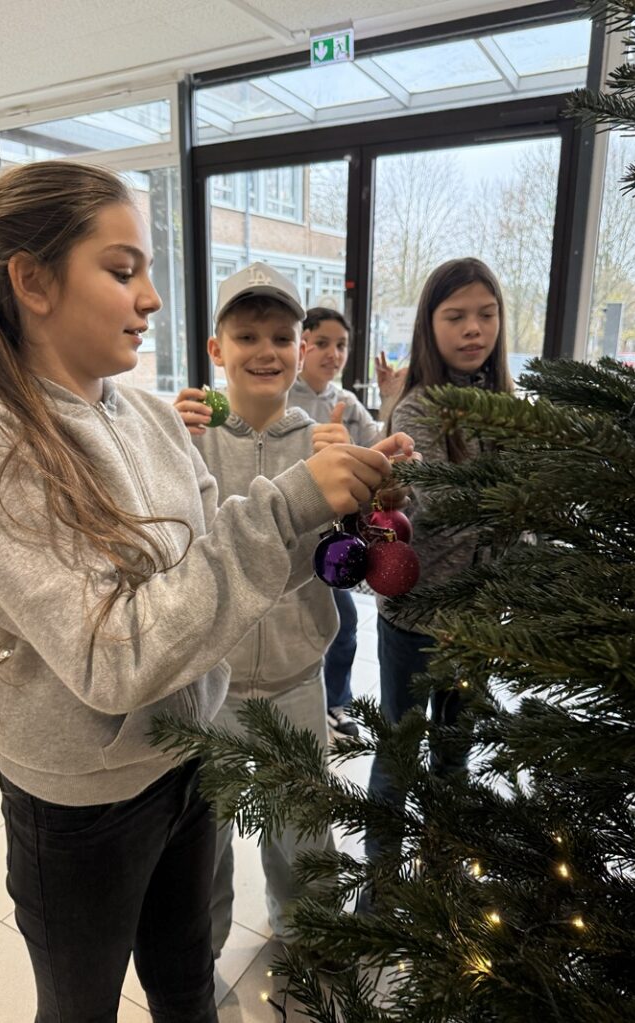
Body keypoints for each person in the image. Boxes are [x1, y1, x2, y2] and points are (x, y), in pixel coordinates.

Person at [0, 162, 413, 1023]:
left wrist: (331, 525)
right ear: (32, 280)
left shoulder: (140, 415)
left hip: (189, 753)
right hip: (83, 803)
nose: (149, 299)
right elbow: (117, 654)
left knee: (185, 981)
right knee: (80, 1006)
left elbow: (217, 569)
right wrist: (291, 498)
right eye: (121, 269)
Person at [173, 268, 413, 957]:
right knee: (203, 835)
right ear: (217, 350)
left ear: (301, 345)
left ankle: (308, 938)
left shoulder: (322, 438)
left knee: (305, 826)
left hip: (294, 676)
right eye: (246, 335)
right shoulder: (188, 433)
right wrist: (163, 440)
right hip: (205, 679)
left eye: (281, 335)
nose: (266, 350)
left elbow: (364, 550)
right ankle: (198, 956)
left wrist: (373, 483)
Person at [366, 257, 515, 867]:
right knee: (399, 750)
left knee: (456, 751)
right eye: (455, 316)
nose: (473, 329)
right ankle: (381, 889)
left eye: (486, 314)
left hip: (477, 622)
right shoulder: (418, 408)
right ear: (431, 326)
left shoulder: (508, 407)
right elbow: (438, 504)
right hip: (415, 618)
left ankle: (444, 870)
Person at [288, 307, 384, 739]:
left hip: (330, 548)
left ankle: (335, 703)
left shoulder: (345, 404)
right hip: (286, 541)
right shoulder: (280, 397)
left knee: (343, 627)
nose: (334, 354)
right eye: (323, 344)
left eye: (341, 345)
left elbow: (379, 449)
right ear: (304, 347)